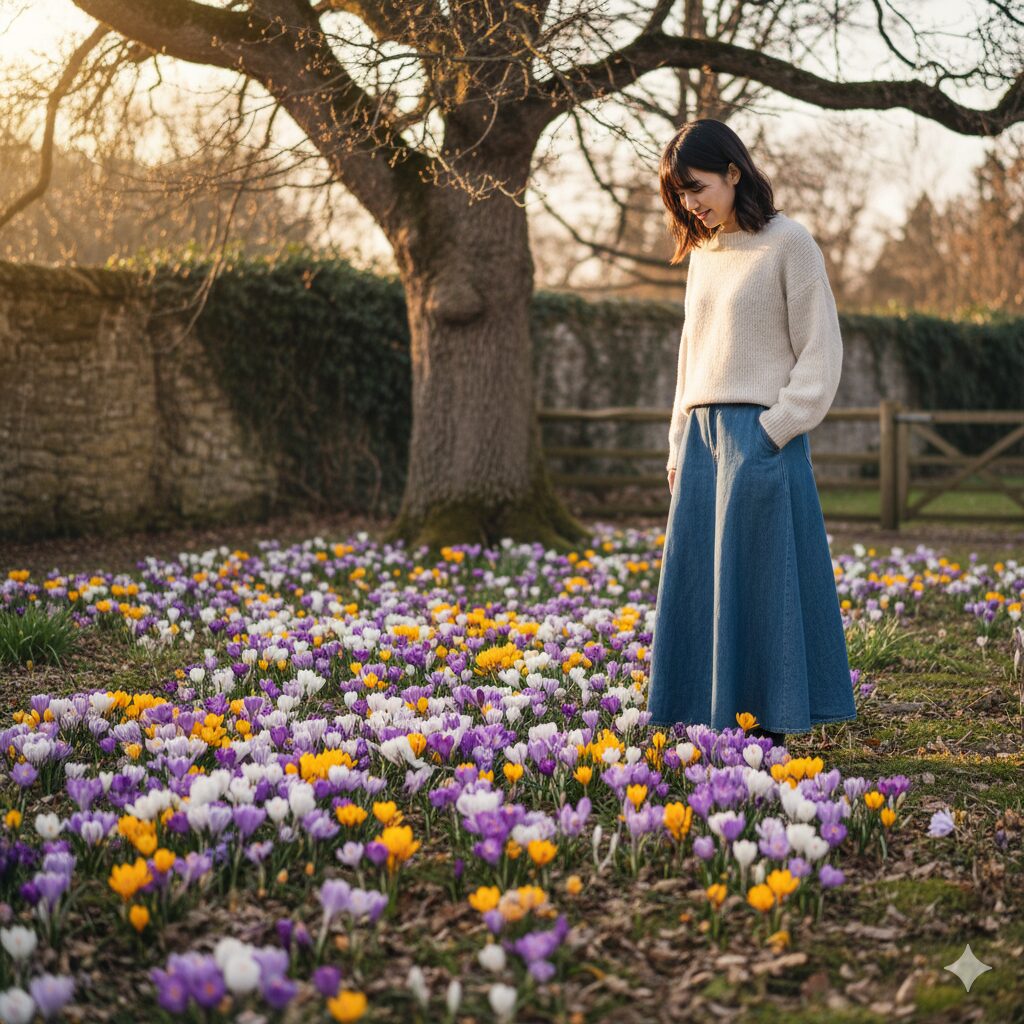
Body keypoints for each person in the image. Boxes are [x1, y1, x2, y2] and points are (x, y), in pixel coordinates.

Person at [645, 118, 857, 750]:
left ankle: (773, 721)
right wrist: (679, 443)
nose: (690, 204)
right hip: (703, 439)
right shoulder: (704, 257)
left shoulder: (790, 243)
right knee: (704, 583)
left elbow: (821, 350)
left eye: (698, 187)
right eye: (680, 194)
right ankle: (713, 720)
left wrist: (776, 429)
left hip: (761, 438)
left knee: (766, 583)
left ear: (734, 172)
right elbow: (691, 357)